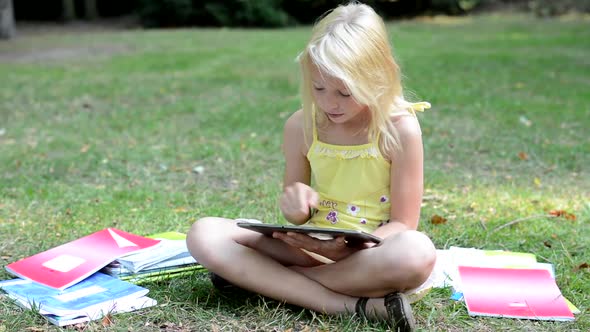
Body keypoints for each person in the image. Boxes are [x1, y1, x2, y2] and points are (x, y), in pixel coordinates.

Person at [186, 2, 436, 331]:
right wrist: (296, 205)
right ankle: (346, 305)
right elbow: (298, 216)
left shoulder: (399, 128)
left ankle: (264, 282)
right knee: (203, 233)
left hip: (369, 255)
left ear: (377, 79)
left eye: (345, 93)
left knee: (417, 253)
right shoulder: (301, 126)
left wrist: (351, 248)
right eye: (319, 88)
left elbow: (404, 223)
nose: (330, 103)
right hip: (308, 247)